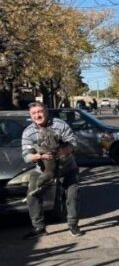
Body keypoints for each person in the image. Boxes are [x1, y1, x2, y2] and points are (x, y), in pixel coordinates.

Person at [21, 102, 83, 238]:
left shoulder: (60, 125)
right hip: (43, 169)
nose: (37, 115)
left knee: (73, 194)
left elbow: (73, 142)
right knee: (32, 194)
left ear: (46, 112)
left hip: (66, 167)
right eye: (34, 113)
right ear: (30, 116)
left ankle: (73, 224)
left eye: (40, 111)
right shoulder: (28, 132)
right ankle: (39, 227)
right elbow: (26, 155)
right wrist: (39, 156)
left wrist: (62, 151)